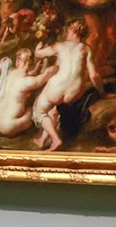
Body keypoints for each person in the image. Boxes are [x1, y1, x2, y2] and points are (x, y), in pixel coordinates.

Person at [32, 19, 104, 151]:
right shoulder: (86, 49)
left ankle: (55, 139)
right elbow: (94, 75)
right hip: (75, 91)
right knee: (54, 110)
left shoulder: (60, 46)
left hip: (58, 86)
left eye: (67, 30)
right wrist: (101, 91)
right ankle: (42, 140)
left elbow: (39, 54)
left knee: (40, 111)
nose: (66, 32)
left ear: (72, 31)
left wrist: (38, 47)